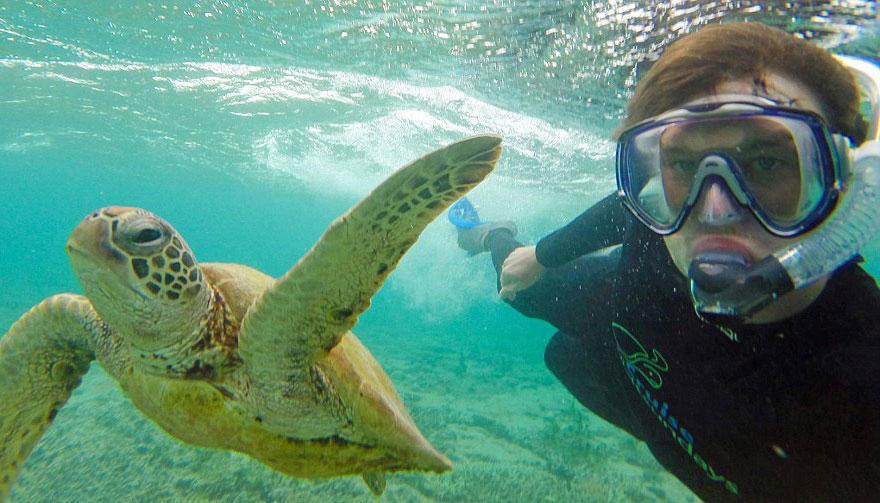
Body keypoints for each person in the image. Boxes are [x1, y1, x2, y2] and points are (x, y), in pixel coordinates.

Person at [453, 22, 880, 501]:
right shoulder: (657, 241)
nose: (715, 212)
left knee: (561, 354)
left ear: (846, 184)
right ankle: (490, 233)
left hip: (641, 373)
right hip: (626, 306)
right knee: (523, 292)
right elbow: (629, 202)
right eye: (681, 164)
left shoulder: (861, 388)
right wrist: (540, 255)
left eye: (766, 162)